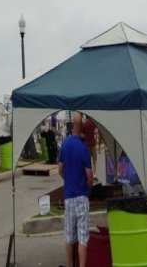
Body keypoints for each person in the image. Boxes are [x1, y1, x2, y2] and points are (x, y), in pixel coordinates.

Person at [58, 112, 93, 267]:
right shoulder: (84, 148)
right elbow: (89, 175)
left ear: (72, 125)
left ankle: (70, 264)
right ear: (82, 126)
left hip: (69, 196)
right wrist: (89, 187)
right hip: (82, 196)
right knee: (82, 237)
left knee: (69, 236)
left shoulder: (64, 144)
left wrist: (68, 180)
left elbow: (60, 169)